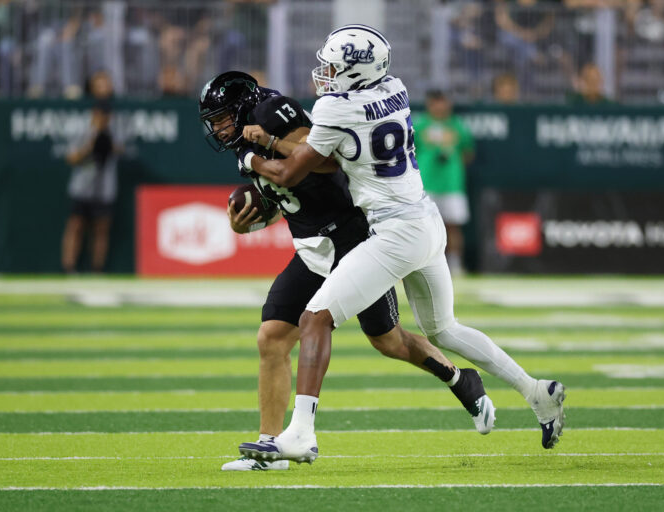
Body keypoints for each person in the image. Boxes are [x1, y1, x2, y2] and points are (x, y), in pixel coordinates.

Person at [237, 24, 565, 465]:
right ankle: (535, 391)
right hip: (426, 219)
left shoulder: (337, 107)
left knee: (315, 319)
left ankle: (299, 434)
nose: (325, 73)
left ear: (356, 70)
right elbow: (331, 152)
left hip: (396, 231)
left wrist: (251, 156)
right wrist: (275, 140)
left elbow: (290, 172)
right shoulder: (396, 87)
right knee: (444, 330)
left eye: (334, 66)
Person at [198, 71, 495, 471]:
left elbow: (323, 161)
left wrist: (266, 146)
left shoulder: (271, 113)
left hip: (351, 239)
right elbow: (286, 197)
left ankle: (460, 379)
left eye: (221, 119)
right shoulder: (246, 138)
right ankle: (270, 447)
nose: (218, 129)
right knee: (272, 337)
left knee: (388, 341)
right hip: (312, 249)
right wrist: (247, 222)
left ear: (240, 108)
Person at [61, 72, 118, 273]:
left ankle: (97, 269)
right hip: (83, 186)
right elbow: (71, 157)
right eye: (100, 114)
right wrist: (90, 145)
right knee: (75, 226)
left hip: (104, 188)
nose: (103, 119)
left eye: (106, 115)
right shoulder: (83, 131)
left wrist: (108, 143)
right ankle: (69, 268)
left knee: (101, 228)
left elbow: (121, 150)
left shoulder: (113, 132)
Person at [413, 90, 475, 276]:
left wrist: (453, 167)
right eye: (436, 102)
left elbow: (468, 153)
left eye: (443, 102)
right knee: (421, 226)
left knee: (453, 226)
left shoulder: (457, 125)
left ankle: (455, 265)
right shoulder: (419, 124)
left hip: (451, 184)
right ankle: (418, 265)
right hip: (426, 183)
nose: (440, 106)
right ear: (429, 104)